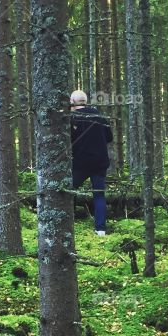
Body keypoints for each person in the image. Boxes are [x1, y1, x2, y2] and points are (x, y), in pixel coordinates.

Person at [70, 89, 112, 236]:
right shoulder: (99, 115)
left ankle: (69, 224)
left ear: (72, 102)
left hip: (80, 163)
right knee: (99, 194)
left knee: (68, 191)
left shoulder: (72, 118)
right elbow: (109, 137)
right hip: (99, 162)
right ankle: (100, 229)